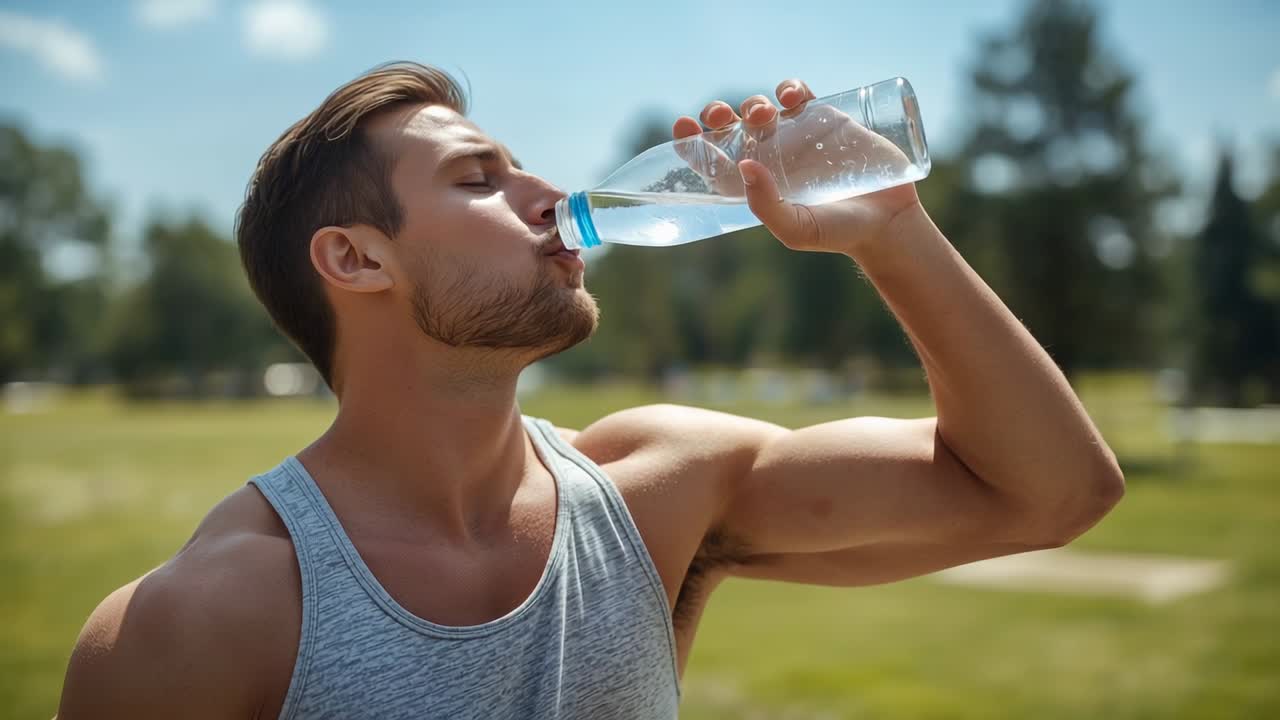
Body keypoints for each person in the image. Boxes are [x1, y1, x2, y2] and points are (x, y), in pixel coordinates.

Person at [56, 62, 1124, 719]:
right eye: (479, 179)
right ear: (356, 260)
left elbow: (1051, 494)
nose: (550, 195)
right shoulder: (203, 618)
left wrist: (894, 235)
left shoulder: (659, 488)